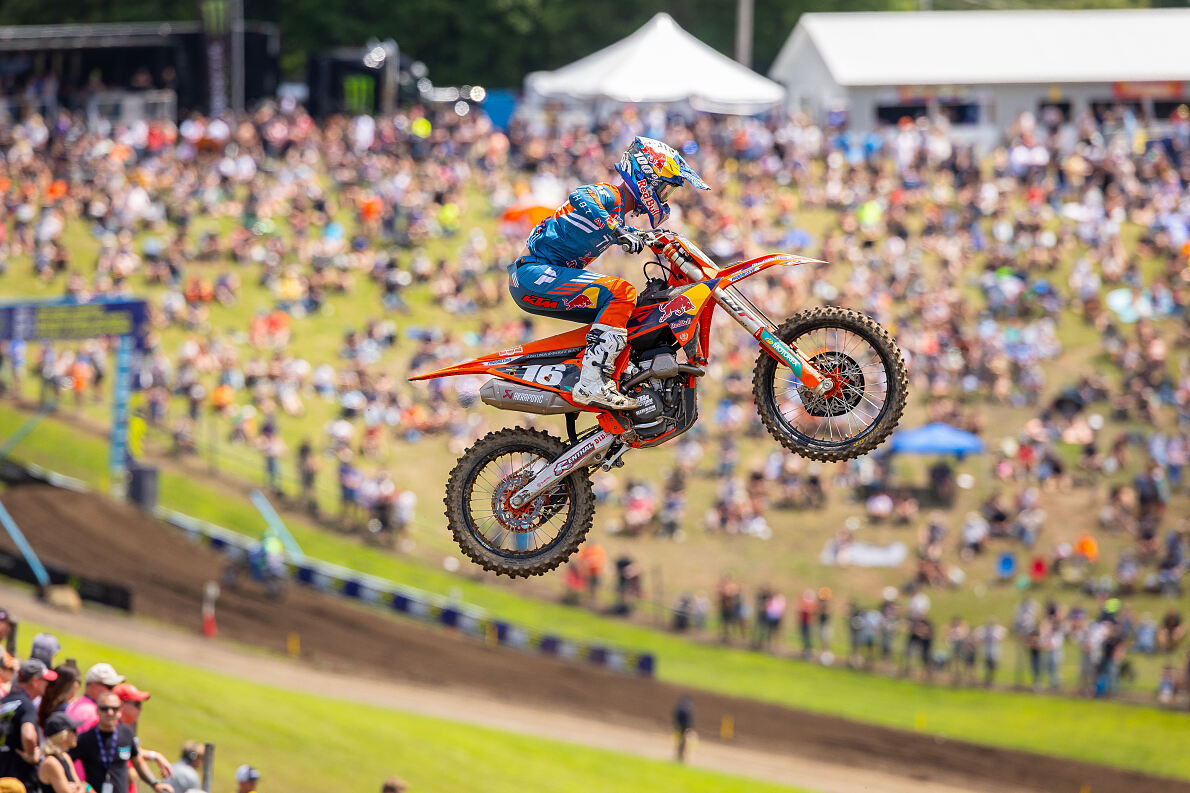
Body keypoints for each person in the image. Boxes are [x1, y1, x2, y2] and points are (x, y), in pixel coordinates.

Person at [507, 137, 709, 409]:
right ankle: (591, 383)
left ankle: (617, 373)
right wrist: (618, 231)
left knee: (634, 310)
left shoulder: (617, 216)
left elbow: (628, 233)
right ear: (647, 179)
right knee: (621, 292)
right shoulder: (609, 196)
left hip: (542, 277)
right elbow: (579, 195)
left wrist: (653, 238)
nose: (664, 199)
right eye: (664, 190)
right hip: (533, 274)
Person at [71, 693, 170, 793]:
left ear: (119, 711)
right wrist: (83, 785)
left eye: (114, 709)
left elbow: (138, 762)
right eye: (104, 708)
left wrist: (154, 783)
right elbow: (64, 762)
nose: (109, 712)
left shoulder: (126, 733)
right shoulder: (85, 739)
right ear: (97, 710)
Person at [0, 660, 56, 790]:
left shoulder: (4, 702)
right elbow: (28, 735)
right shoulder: (26, 705)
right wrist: (31, 754)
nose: (47, 685)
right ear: (35, 681)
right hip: (19, 780)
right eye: (45, 680)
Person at [112, 684, 171, 787]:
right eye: (137, 704)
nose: (141, 708)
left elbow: (134, 752)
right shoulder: (114, 731)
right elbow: (129, 776)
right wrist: (138, 769)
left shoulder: (124, 729)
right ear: (121, 705)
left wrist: (154, 756)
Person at [66, 665, 124, 734]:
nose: (113, 690)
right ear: (94, 686)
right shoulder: (94, 712)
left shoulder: (79, 703)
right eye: (110, 687)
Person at [36, 712, 84, 793]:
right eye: (74, 730)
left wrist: (78, 788)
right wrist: (78, 788)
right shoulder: (51, 763)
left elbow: (80, 786)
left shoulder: (65, 756)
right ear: (62, 735)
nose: (77, 734)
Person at [37, 665, 80, 731]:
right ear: (70, 684)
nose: (78, 685)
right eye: (78, 681)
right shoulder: (65, 709)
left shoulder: (41, 699)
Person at [672, 695, 694, 763]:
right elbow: (690, 719)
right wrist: (690, 727)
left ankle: (679, 755)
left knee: (679, 742)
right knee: (683, 742)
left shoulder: (680, 707)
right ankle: (681, 756)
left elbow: (675, 716)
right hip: (685, 728)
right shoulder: (688, 708)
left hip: (680, 727)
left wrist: (675, 725)